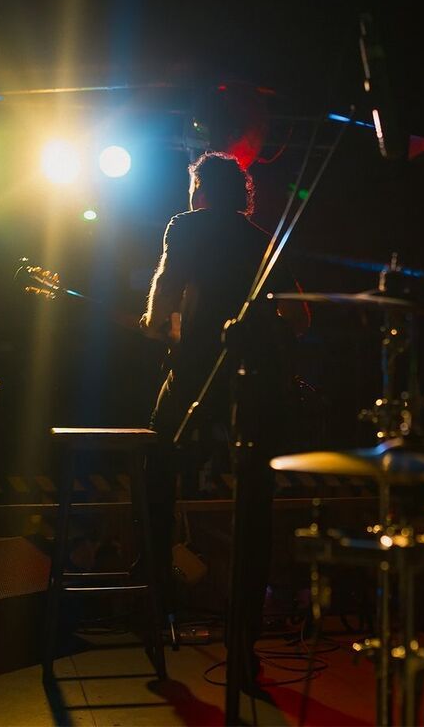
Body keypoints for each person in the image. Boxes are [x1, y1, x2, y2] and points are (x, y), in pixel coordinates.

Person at [139, 151, 307, 676]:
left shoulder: (185, 226)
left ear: (200, 190)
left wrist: (157, 324)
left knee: (156, 472)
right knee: (254, 510)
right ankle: (244, 644)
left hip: (196, 376)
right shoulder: (261, 238)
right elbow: (299, 317)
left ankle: (153, 608)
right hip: (256, 385)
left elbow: (162, 300)